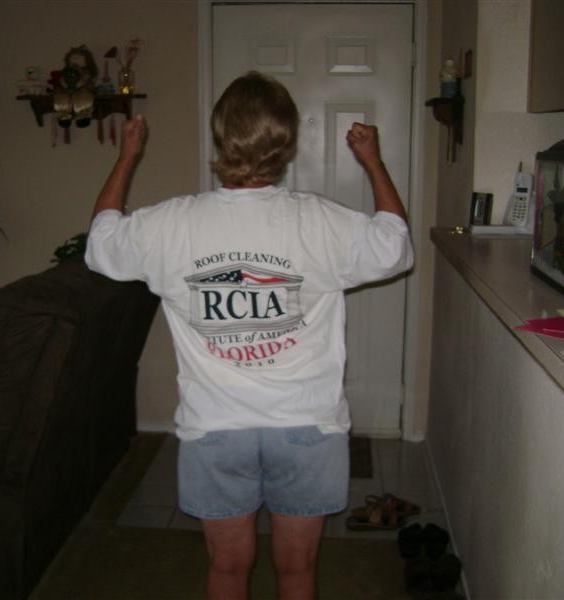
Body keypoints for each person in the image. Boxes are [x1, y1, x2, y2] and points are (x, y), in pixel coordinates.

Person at [85, 71, 413, 600]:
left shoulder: (171, 223)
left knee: (227, 569)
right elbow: (396, 246)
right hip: (308, 426)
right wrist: (372, 161)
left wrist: (128, 156)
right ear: (286, 141)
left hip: (215, 429)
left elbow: (101, 244)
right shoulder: (320, 220)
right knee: (298, 570)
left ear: (221, 135)